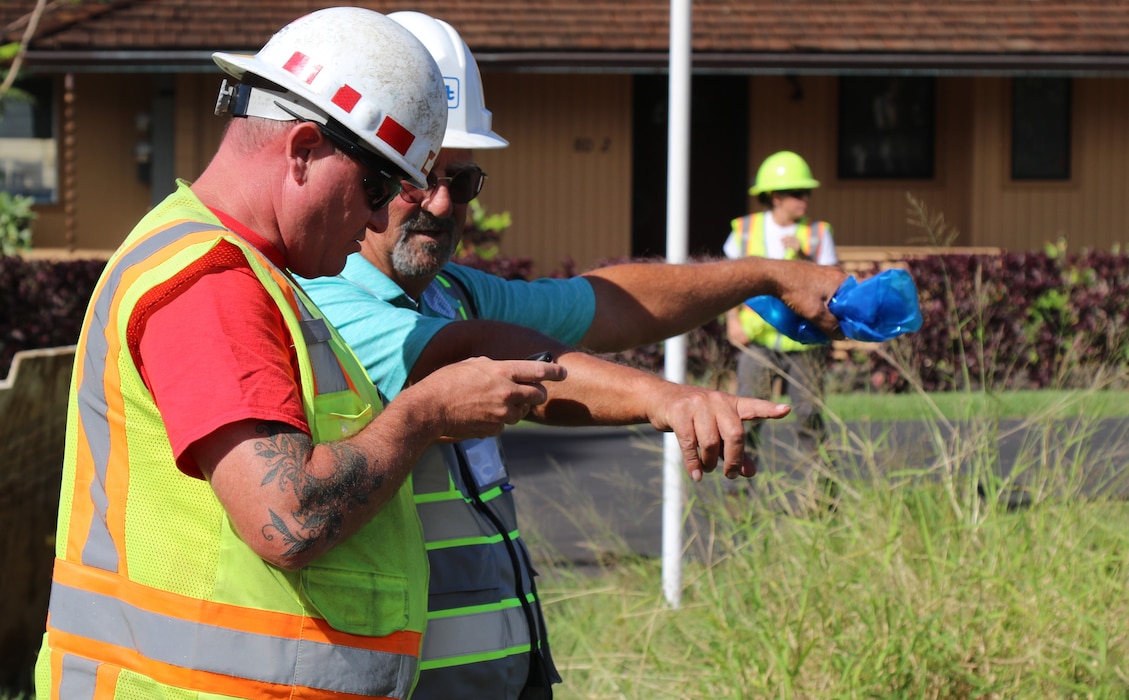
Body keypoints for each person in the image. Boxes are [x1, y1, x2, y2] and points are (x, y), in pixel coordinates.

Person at [302, 13, 850, 700]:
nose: (441, 204)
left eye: (462, 180)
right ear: (366, 174)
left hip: (499, 675)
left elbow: (605, 300)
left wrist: (766, 275)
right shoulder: (323, 298)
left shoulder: (450, 292)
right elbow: (478, 361)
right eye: (418, 178)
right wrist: (664, 398)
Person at [33, 9, 570, 699]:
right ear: (304, 148)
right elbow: (289, 519)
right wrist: (425, 411)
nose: (380, 219)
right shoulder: (211, 284)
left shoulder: (252, 273)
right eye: (379, 187)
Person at [723, 150, 840, 476]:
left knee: (809, 417)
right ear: (775, 197)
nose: (805, 199)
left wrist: (805, 256)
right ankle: (737, 502)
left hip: (805, 342)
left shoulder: (818, 233)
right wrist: (732, 321)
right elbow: (729, 281)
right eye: (797, 193)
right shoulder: (745, 230)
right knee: (747, 419)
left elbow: (831, 285)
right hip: (757, 340)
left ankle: (822, 501)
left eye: (807, 192)